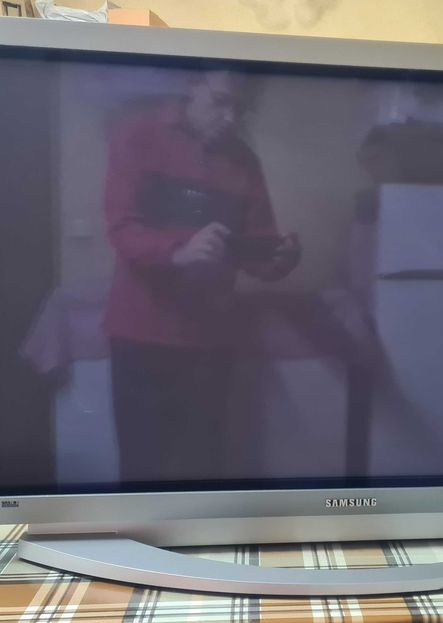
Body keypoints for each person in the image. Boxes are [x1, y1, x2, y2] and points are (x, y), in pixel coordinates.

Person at [103, 70, 301, 484]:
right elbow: (122, 229)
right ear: (192, 85)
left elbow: (256, 251)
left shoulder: (245, 161)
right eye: (221, 102)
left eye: (242, 109)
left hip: (211, 340)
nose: (231, 118)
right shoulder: (138, 134)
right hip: (141, 335)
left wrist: (281, 258)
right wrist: (179, 252)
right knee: (141, 469)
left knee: (205, 468)